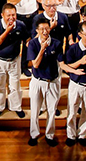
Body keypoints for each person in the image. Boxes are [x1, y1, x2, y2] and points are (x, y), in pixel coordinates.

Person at [61, 21, 86, 146]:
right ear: (79, 34)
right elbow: (67, 66)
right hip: (76, 84)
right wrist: (80, 62)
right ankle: (71, 135)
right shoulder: (73, 49)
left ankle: (82, 135)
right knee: (72, 111)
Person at [0, 3, 28, 118]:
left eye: (13, 15)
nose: (11, 18)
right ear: (2, 15)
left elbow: (27, 39)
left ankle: (16, 106)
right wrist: (7, 31)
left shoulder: (20, 25)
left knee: (15, 85)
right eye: (8, 15)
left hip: (14, 60)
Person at [26, 17, 61, 146]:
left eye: (47, 28)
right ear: (37, 30)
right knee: (35, 110)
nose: (45, 31)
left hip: (52, 82)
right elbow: (35, 64)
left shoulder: (57, 43)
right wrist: (42, 49)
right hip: (37, 81)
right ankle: (34, 134)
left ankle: (49, 135)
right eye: (42, 29)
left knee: (52, 111)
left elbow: (61, 62)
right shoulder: (33, 44)